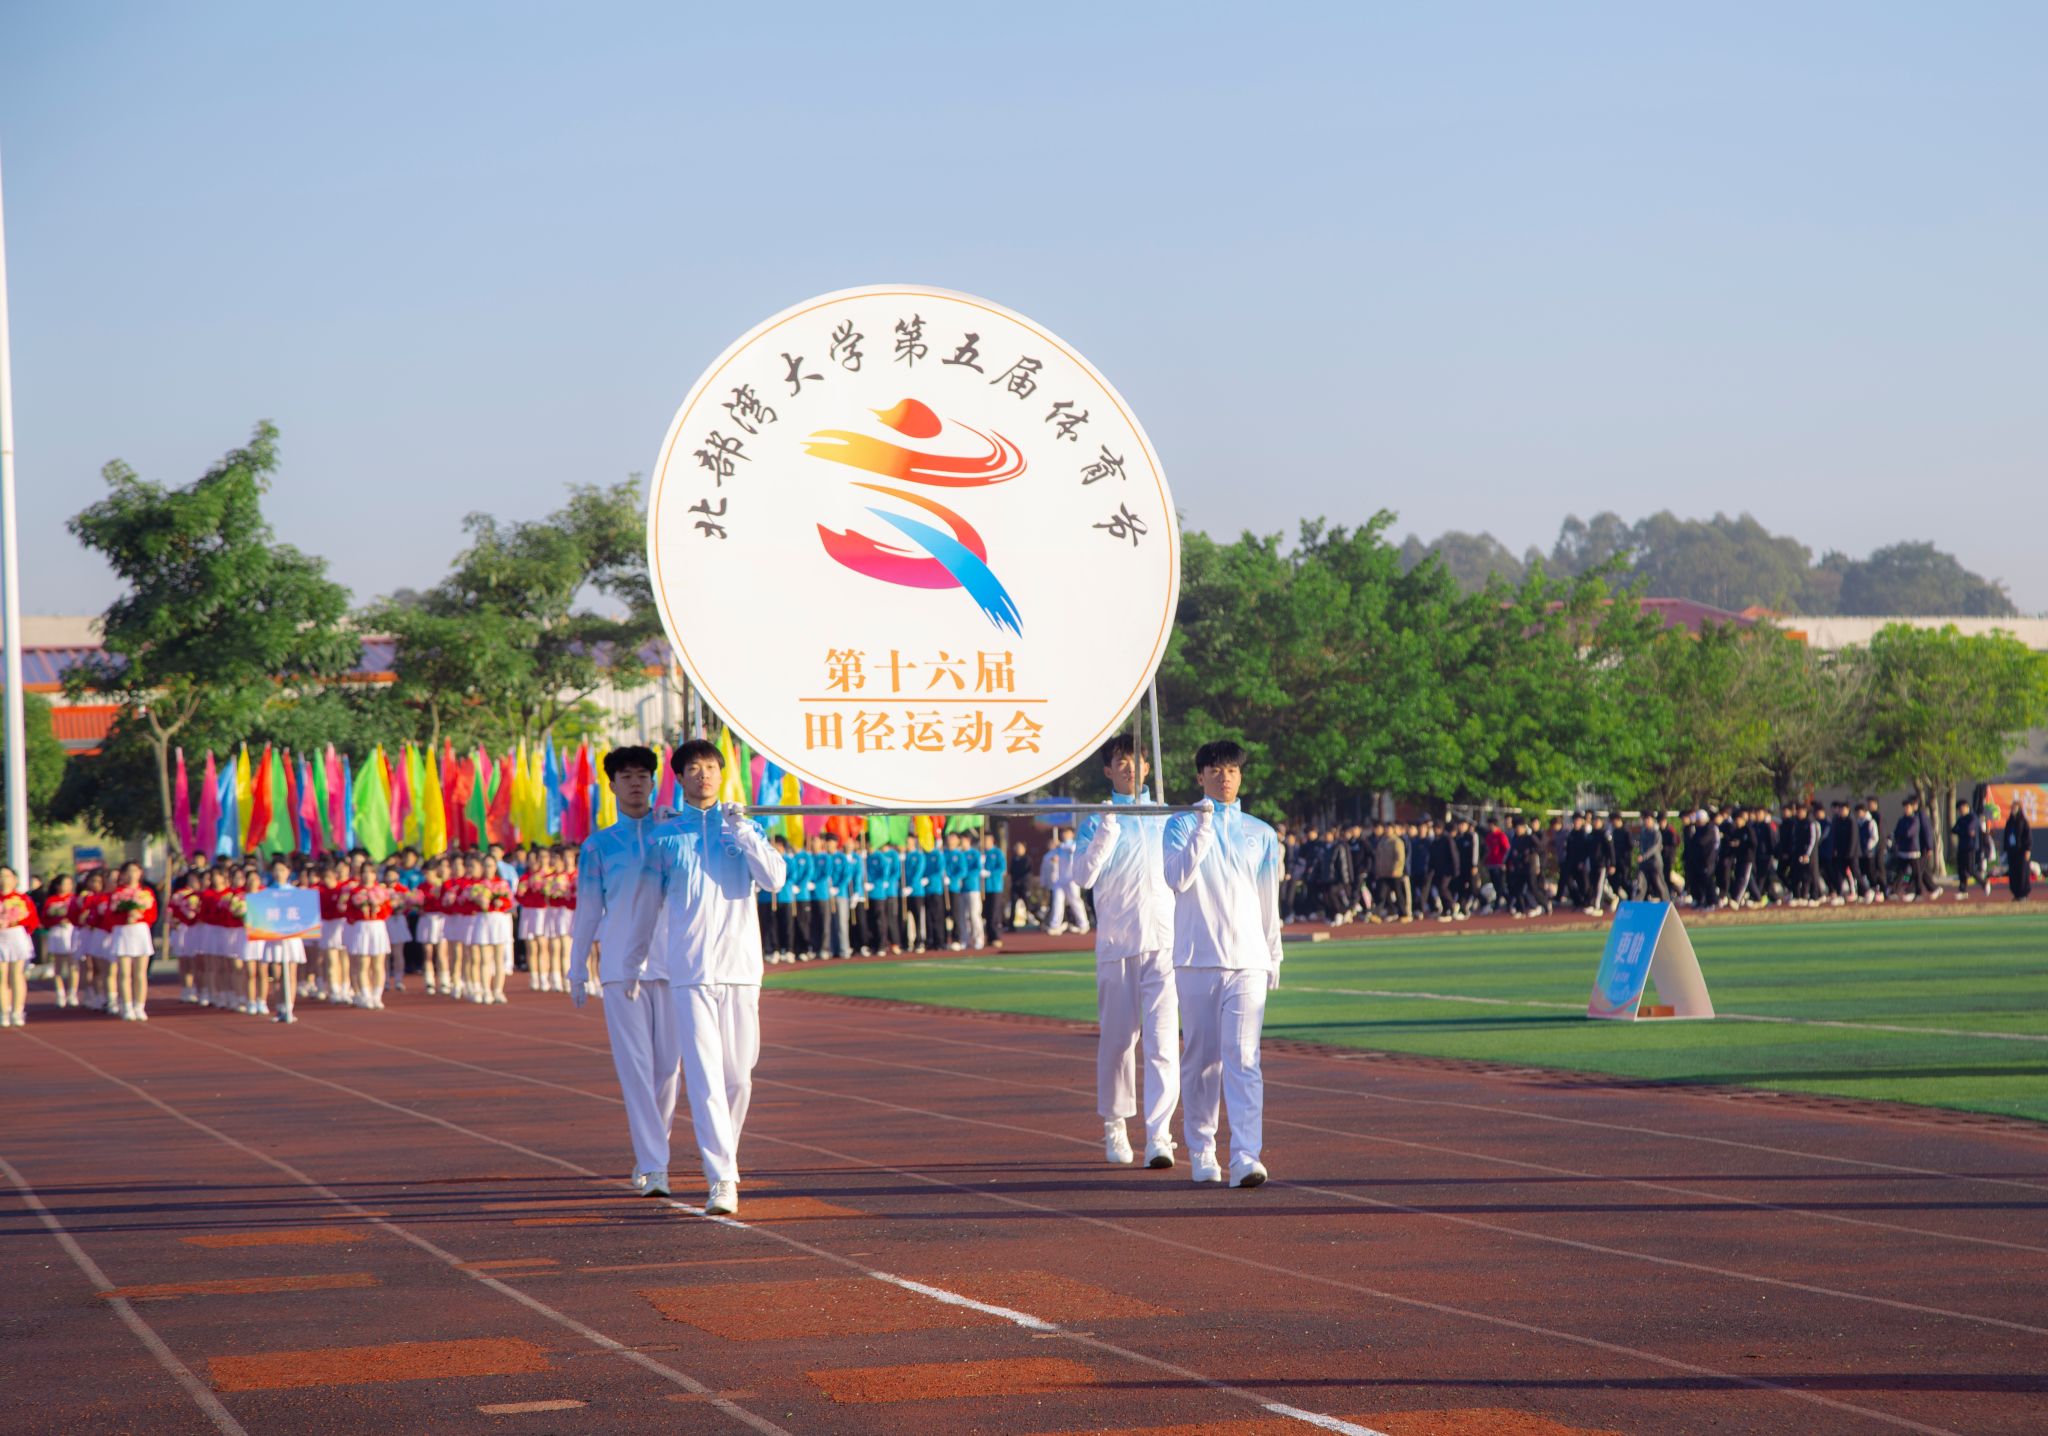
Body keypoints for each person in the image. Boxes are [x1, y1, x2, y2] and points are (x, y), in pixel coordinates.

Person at [643, 739, 787, 1219]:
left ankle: (726, 1154)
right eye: (693, 768)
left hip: (741, 969)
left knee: (738, 1078)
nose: (702, 774)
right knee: (704, 1078)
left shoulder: (744, 828)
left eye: (710, 767)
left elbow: (774, 880)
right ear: (679, 778)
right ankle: (722, 1177)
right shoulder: (664, 836)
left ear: (721, 774)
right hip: (689, 972)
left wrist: (742, 830)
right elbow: (645, 904)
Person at [1162, 739, 1283, 1189]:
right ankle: (1202, 1150)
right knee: (1202, 1060)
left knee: (1245, 1058)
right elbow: (1176, 878)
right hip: (1197, 960)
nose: (1224, 777)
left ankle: (1247, 1157)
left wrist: (1273, 953)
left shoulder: (1261, 833)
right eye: (1215, 770)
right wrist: (1203, 828)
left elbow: (1269, 900)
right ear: (1200, 777)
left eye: (1231, 770)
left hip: (1247, 960)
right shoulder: (1179, 825)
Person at [568, 745, 683, 1199]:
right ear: (612, 785)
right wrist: (577, 966)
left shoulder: (673, 833)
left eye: (642, 776)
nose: (635, 783)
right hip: (619, 967)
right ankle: (655, 1166)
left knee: (668, 1070)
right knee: (636, 1069)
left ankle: (655, 1149)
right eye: (626, 776)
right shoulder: (597, 846)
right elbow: (588, 910)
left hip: (673, 965)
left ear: (653, 782)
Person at [1074, 735, 1180, 1170]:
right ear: (1108, 770)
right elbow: (1082, 876)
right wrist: (1108, 828)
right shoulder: (1096, 820)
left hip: (1163, 943)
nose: (1130, 767)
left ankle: (1160, 1134)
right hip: (1117, 946)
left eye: (1136, 760)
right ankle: (1115, 1123)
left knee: (1163, 1044)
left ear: (1148, 767)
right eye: (1121, 761)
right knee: (1119, 1043)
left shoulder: (1167, 817)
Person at [0, 867, 40, 1028]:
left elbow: (32, 920)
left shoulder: (22, 899)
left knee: (17, 974)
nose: (4, 879)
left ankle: (17, 1011)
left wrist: (16, 921)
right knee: (2, 975)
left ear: (14, 880)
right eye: (1, 876)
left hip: (16, 936)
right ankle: (4, 1011)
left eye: (8, 876)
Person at [40, 874, 79, 1009]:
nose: (68, 886)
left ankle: (72, 993)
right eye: (64, 883)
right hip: (57, 932)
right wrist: (57, 920)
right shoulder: (51, 900)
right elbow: (45, 919)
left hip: (71, 931)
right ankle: (60, 993)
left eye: (70, 883)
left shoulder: (74, 899)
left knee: (73, 964)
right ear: (58, 886)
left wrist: (70, 919)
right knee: (58, 965)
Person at [2005, 805, 2033, 901]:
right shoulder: (2009, 822)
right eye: (2012, 809)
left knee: (2022, 873)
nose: (2013, 811)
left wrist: (2028, 849)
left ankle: (2023, 894)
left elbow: (2028, 837)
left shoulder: (2023, 822)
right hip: (2012, 852)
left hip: (2021, 852)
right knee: (2013, 873)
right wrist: (2006, 849)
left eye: (2015, 809)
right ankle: (2016, 894)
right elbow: (2006, 836)